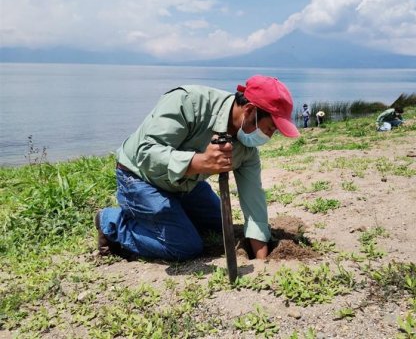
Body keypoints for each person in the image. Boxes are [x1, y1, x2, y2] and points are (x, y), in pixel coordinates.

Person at [95, 75, 300, 261]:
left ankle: (176, 214)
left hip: (185, 186)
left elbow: (253, 201)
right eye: (270, 129)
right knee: (185, 246)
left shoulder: (247, 149)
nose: (269, 137)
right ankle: (111, 223)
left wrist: (261, 258)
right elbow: (145, 154)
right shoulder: (188, 102)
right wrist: (200, 162)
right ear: (250, 110)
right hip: (140, 178)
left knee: (220, 222)